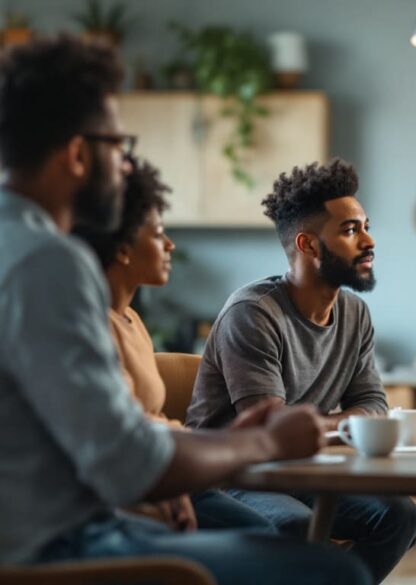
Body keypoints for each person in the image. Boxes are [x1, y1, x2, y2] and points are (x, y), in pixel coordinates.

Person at [0, 36, 370, 585]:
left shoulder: (19, 247)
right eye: (117, 147)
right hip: (59, 546)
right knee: (330, 573)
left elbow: (108, 436)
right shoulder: (50, 262)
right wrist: (262, 441)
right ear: (79, 155)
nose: (126, 168)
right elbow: (126, 461)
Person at [186, 158, 416, 583]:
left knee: (398, 515)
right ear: (308, 245)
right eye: (351, 230)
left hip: (309, 473)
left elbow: (373, 403)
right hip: (238, 474)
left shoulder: (355, 312)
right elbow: (273, 429)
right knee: (293, 528)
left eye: (366, 226)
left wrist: (325, 426)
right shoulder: (253, 312)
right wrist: (346, 424)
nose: (369, 240)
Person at [72, 158, 275, 533]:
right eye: (159, 233)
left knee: (271, 530)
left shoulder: (132, 322)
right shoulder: (93, 326)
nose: (170, 244)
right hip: (134, 485)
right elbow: (123, 431)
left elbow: (148, 420)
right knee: (266, 533)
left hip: (167, 471)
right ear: (123, 249)